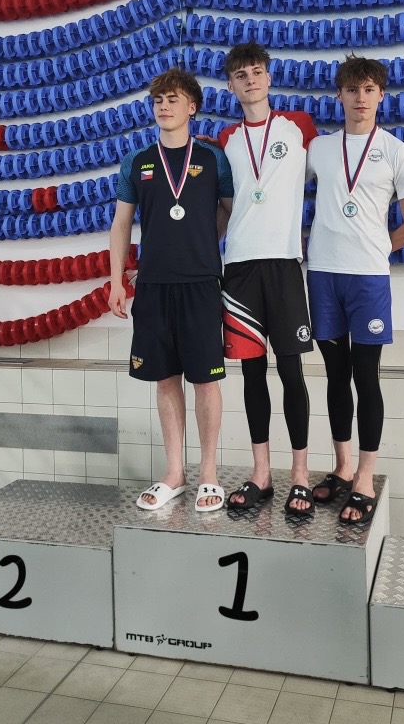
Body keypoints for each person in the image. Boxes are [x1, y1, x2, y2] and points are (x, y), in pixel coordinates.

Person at [306, 55, 404, 524]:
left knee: (366, 376)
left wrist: (377, 247)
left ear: (381, 96)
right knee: (335, 376)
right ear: (339, 95)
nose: (361, 98)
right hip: (323, 275)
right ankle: (342, 467)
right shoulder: (318, 149)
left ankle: (365, 475)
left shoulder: (397, 152)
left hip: (369, 279)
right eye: (353, 89)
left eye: (369, 89)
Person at [109, 68, 233, 512]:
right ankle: (175, 473)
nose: (164, 106)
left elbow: (229, 210)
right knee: (165, 378)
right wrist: (116, 280)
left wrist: (202, 241)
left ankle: (209, 474)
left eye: (173, 99)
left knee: (206, 380)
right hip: (154, 285)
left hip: (200, 283)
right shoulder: (137, 161)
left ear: (192, 107)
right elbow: (121, 224)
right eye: (158, 100)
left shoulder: (214, 159)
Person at [218, 42, 318, 517]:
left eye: (256, 71)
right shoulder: (225, 139)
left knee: (292, 373)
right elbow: (223, 206)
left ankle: (299, 475)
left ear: (269, 77)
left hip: (283, 264)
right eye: (241, 75)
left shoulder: (299, 127)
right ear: (231, 85)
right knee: (252, 374)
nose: (250, 80)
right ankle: (261, 474)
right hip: (239, 267)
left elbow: (332, 177)